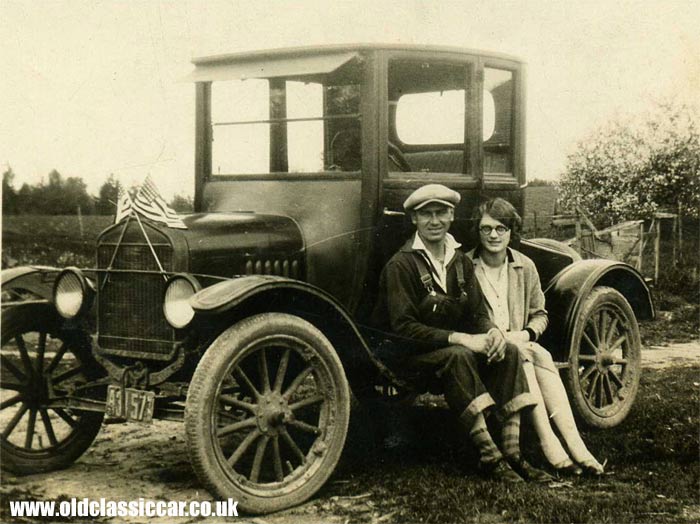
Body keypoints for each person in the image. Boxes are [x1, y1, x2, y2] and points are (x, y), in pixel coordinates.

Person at [372, 184, 551, 483]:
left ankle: (513, 453)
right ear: (414, 219)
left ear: (451, 215)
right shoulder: (400, 265)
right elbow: (402, 328)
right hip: (407, 359)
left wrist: (492, 332)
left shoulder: (460, 261)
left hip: (452, 353)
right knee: (459, 355)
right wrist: (462, 338)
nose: (434, 221)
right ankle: (489, 456)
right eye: (426, 214)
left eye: (441, 213)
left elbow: (478, 313)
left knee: (510, 351)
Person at [466, 197, 604, 476]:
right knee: (529, 356)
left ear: (511, 232)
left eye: (501, 229)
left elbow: (540, 314)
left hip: (519, 341)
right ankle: (551, 443)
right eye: (486, 228)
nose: (494, 235)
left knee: (537, 353)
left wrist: (526, 333)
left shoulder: (524, 266)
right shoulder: (466, 266)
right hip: (484, 349)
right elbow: (465, 316)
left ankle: (575, 445)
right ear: (477, 231)